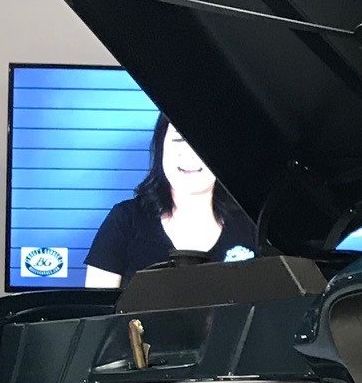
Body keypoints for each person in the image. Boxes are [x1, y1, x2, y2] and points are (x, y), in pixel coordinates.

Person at [84, 117, 255, 285]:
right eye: (179, 139)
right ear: (161, 147)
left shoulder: (252, 225)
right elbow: (98, 302)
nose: (190, 154)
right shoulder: (125, 220)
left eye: (203, 141)